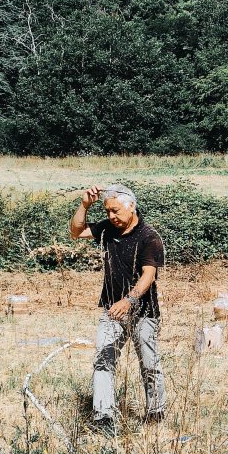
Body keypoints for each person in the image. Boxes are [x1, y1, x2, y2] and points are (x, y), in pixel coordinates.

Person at [69, 184, 166, 431]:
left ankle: (156, 413)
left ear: (131, 206)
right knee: (103, 360)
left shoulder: (149, 236)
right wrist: (84, 205)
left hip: (143, 311)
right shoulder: (108, 228)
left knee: (149, 363)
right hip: (112, 310)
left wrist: (129, 300)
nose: (112, 216)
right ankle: (104, 417)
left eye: (116, 211)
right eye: (108, 211)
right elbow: (76, 232)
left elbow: (148, 275)